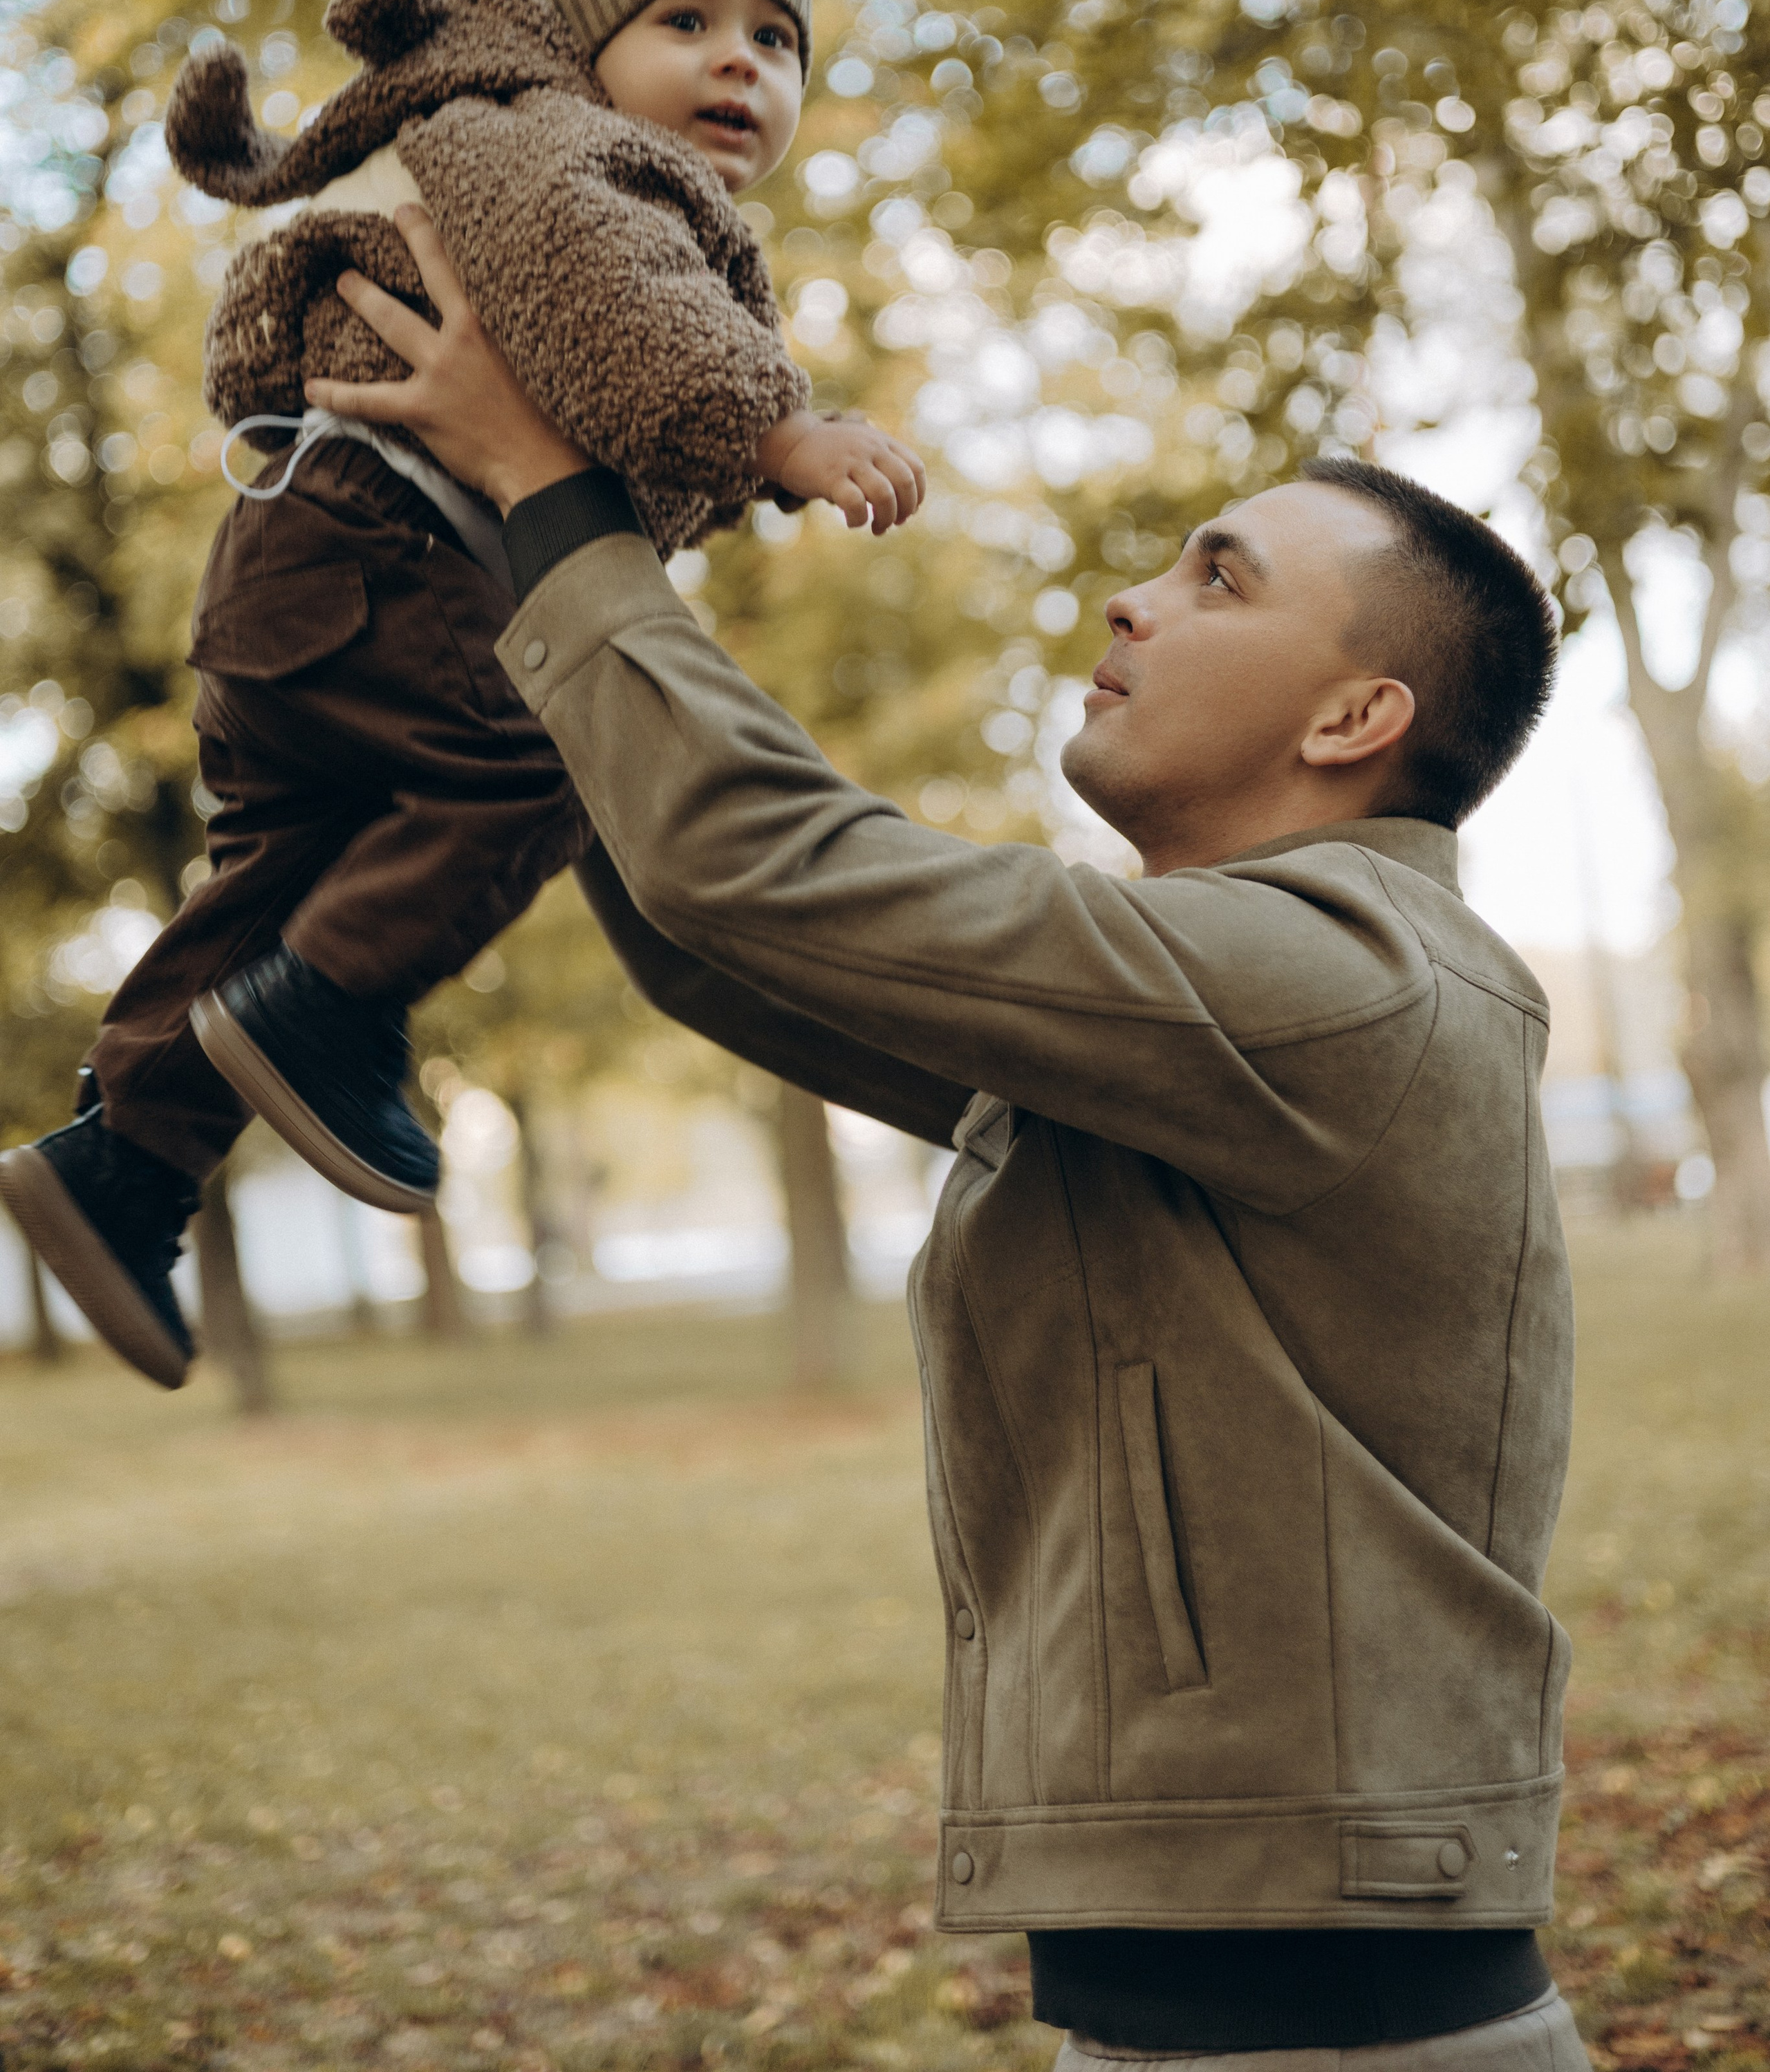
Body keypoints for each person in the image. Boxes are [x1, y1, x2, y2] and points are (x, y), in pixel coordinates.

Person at [274, 216, 1588, 2072]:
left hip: (1342, 2029)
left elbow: (777, 873)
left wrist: (560, 504)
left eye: (1217, 580)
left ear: (1357, 716)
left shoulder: (1342, 981)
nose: (1136, 601)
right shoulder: (1184, 1033)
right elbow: (737, 940)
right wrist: (512, 543)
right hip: (1195, 2015)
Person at [0, 0, 924, 1392]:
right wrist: (779, 432)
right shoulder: (552, 146)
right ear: (580, 43)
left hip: (305, 578)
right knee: (541, 767)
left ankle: (124, 1167)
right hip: (384, 545)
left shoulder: (542, 155)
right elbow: (607, 299)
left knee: (281, 881)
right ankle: (325, 1022)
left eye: (775, 42)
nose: (735, 61)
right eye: (685, 18)